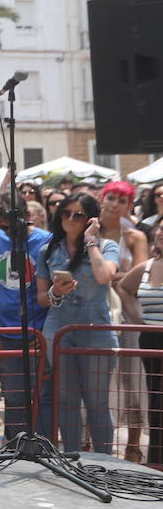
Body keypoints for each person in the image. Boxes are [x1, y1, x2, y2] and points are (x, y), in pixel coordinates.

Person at [37, 192, 118, 455]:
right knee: (66, 400)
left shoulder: (107, 247)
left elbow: (104, 275)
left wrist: (91, 242)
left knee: (97, 401)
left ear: (90, 219)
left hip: (96, 330)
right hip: (58, 328)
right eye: (65, 212)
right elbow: (40, 298)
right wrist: (55, 293)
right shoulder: (47, 250)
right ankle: (72, 457)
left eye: (78, 214)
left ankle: (105, 462)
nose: (70, 219)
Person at [0, 192, 51, 439]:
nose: (8, 233)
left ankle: (43, 442)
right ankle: (16, 444)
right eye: (4, 228)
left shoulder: (45, 240)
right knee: (14, 394)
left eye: (13, 227)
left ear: (27, 216)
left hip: (37, 330)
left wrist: (43, 330)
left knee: (41, 391)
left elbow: (49, 289)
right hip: (8, 331)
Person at [99, 180, 149, 461]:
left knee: (132, 379)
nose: (114, 204)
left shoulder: (135, 237)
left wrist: (106, 275)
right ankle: (89, 440)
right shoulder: (89, 229)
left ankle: (132, 443)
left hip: (126, 315)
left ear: (129, 205)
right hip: (95, 311)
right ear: (102, 198)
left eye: (121, 200)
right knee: (97, 379)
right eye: (111, 197)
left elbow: (140, 275)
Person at [117, 227, 163, 465]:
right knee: (157, 404)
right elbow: (123, 287)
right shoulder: (146, 266)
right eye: (162, 229)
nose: (162, 233)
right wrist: (137, 317)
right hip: (151, 342)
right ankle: (157, 461)